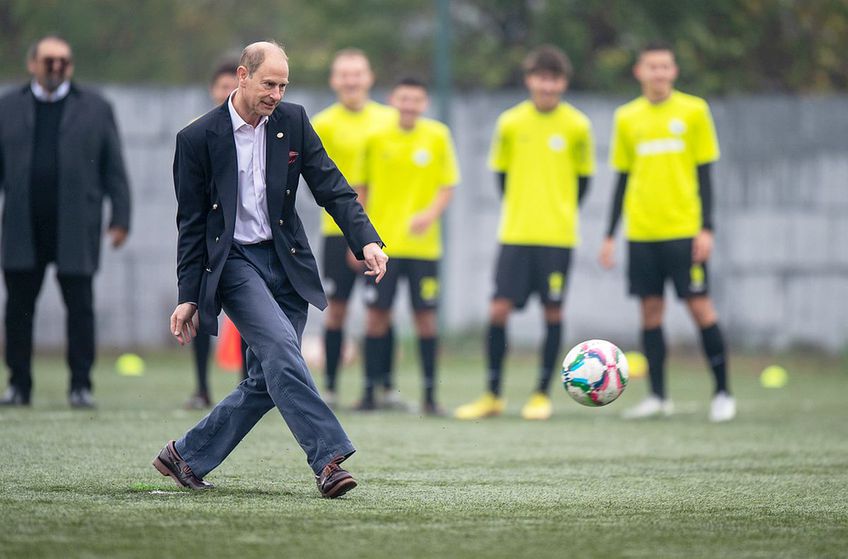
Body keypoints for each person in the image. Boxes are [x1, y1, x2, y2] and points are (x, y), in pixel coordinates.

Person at [153, 41, 387, 498]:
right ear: (242, 76)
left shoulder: (294, 121)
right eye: (268, 83)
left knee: (268, 377)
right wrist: (188, 294)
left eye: (283, 85)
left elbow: (332, 187)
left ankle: (184, 455)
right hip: (235, 265)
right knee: (282, 350)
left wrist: (367, 240)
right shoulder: (196, 139)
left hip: (288, 263)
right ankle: (328, 460)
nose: (276, 93)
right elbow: (191, 226)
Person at [455, 45, 594, 421]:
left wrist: (557, 212)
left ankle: (540, 394)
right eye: (541, 78)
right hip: (515, 235)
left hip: (557, 238)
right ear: (530, 80)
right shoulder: (511, 123)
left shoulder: (578, 125)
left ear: (563, 82)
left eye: (554, 79)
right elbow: (501, 178)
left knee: (552, 311)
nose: (547, 86)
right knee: (498, 310)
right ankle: (493, 394)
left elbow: (584, 183)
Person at [598, 41, 735, 422]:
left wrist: (707, 228)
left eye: (665, 67)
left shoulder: (694, 111)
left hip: (683, 231)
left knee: (699, 307)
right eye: (651, 67)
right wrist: (610, 234)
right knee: (650, 312)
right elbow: (622, 179)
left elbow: (705, 175)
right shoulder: (627, 117)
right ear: (639, 72)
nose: (658, 73)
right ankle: (658, 397)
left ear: (673, 72)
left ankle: (723, 392)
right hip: (642, 233)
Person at [0, 35, 131, 408]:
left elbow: (114, 169)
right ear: (32, 64)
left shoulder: (95, 107)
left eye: (63, 61)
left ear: (71, 66)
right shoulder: (7, 107)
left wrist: (120, 218)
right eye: (49, 60)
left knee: (80, 308)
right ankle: (19, 385)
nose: (56, 67)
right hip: (22, 226)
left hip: (76, 225)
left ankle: (80, 386)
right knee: (18, 309)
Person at [357, 77, 459, 415]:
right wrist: (358, 237)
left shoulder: (438, 136)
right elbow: (362, 190)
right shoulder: (375, 137)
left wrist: (429, 216)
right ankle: (370, 393)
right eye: (404, 98)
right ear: (393, 100)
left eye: (416, 99)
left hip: (423, 249)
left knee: (426, 320)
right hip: (382, 247)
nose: (410, 105)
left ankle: (430, 398)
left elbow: (447, 186)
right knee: (376, 318)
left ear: (425, 102)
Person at [312, 49, 396, 409]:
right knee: (339, 309)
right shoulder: (321, 123)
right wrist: (351, 237)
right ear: (334, 80)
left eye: (357, 74)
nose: (351, 80)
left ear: (370, 77)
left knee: (381, 311)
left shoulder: (389, 121)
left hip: (380, 230)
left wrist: (366, 237)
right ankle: (330, 388)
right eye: (344, 74)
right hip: (336, 231)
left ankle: (379, 389)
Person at [184, 59, 247, 410]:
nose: (228, 93)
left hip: (243, 242)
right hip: (210, 239)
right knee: (198, 311)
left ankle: (246, 385)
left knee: (248, 317)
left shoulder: (257, 130)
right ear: (213, 91)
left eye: (232, 87)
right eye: (222, 87)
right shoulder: (197, 135)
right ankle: (201, 387)